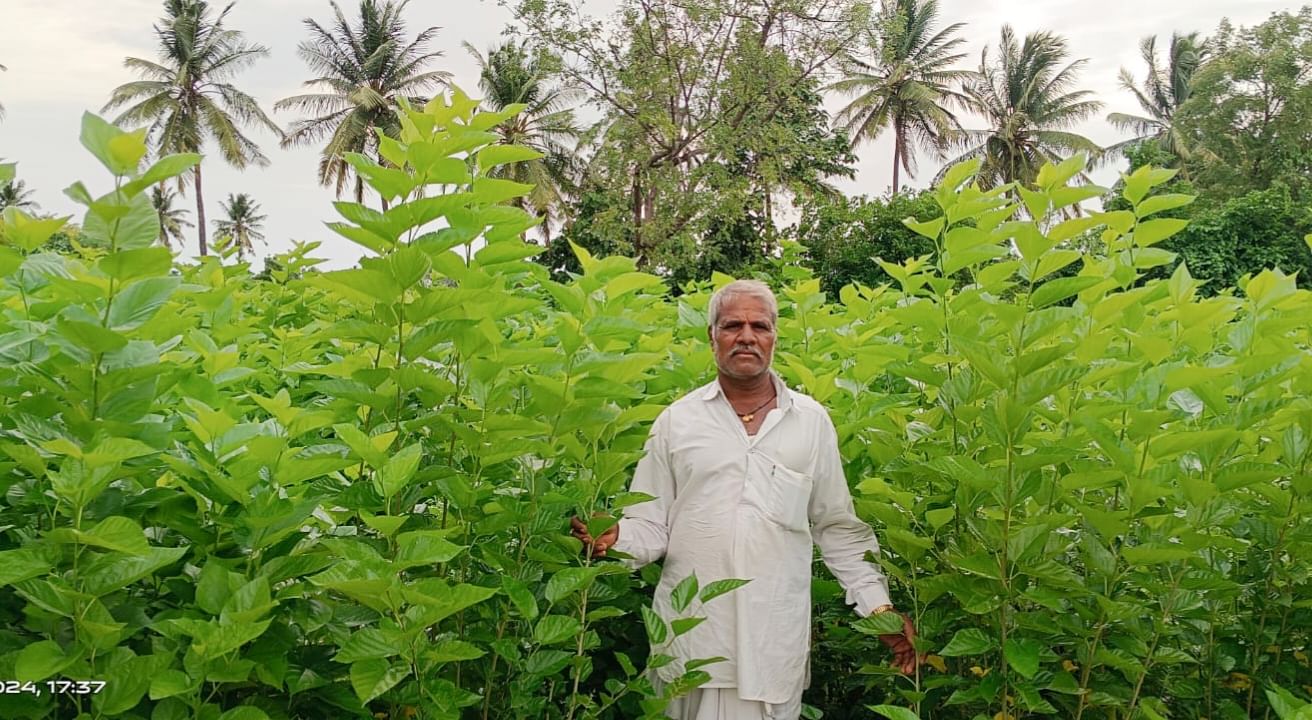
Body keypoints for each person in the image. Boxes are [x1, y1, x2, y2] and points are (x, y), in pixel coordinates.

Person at [570, 279, 919, 720]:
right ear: (712, 336)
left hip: (772, 646)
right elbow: (651, 526)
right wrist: (613, 538)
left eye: (760, 325)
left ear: (775, 336)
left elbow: (836, 528)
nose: (747, 336)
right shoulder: (677, 422)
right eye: (733, 325)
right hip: (691, 639)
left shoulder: (810, 423)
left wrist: (879, 609)